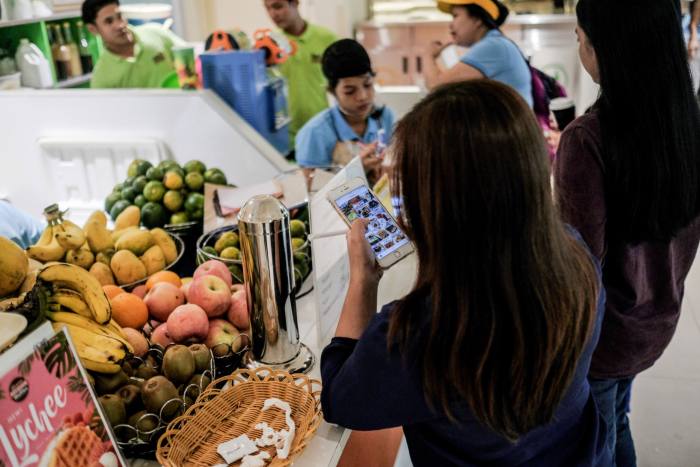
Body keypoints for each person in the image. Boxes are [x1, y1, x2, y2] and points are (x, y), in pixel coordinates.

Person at [321, 80, 611, 467]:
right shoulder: (574, 255)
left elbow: (341, 400)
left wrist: (363, 280)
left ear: (440, 209)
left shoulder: (422, 330)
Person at [554, 0, 700, 465]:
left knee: (596, 439)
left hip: (602, 338)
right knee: (615, 419)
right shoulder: (686, 122)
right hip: (656, 318)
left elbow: (579, 265)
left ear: (604, 49)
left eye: (579, 38)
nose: (579, 47)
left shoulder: (588, 139)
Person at [295, 39, 394, 181]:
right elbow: (309, 190)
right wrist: (357, 170)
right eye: (350, 91)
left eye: (367, 85)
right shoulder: (315, 133)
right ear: (332, 91)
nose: (362, 96)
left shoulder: (385, 117)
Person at [423, 0, 533, 107]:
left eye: (455, 16)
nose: (450, 25)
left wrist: (428, 54)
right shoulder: (497, 43)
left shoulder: (492, 46)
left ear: (477, 20)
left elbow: (436, 87)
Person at [263, 0, 337, 150]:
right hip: (287, 136)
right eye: (268, 8)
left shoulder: (327, 38)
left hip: (323, 131)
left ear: (295, 3)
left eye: (278, 6)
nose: (273, 14)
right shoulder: (270, 46)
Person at [82, 0, 186, 88]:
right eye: (109, 21)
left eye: (120, 16)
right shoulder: (101, 78)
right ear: (93, 29)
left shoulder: (156, 33)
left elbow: (192, 59)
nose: (120, 25)